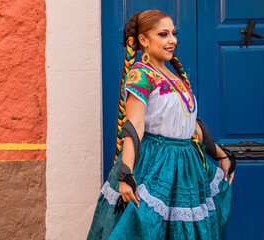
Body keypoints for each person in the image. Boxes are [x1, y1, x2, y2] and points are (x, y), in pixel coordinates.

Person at [87, 9, 235, 240]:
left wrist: (222, 154)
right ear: (144, 40)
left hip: (187, 166)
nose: (172, 40)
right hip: (155, 163)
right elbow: (134, 124)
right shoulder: (141, 74)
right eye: (163, 34)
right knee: (148, 229)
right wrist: (125, 173)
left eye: (173, 33)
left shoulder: (175, 75)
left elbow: (189, 124)